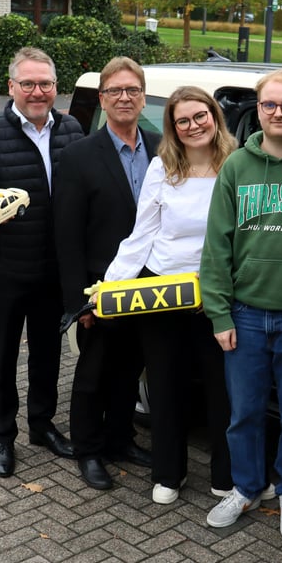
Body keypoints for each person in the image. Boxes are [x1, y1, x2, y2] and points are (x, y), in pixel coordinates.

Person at [199, 69, 282, 540]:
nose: (278, 113)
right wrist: (220, 313)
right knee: (244, 412)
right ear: (259, 109)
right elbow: (217, 247)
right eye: (269, 105)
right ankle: (247, 486)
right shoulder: (236, 167)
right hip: (246, 316)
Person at [103, 85, 237, 503]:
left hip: (216, 296)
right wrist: (110, 287)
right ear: (173, 128)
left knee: (223, 390)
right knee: (165, 386)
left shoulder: (237, 166)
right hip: (164, 293)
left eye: (201, 116)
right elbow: (142, 234)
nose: (193, 125)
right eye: (183, 120)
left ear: (214, 117)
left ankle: (225, 477)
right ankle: (168, 474)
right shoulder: (163, 169)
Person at [0, 46, 84, 479]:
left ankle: (42, 425)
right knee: (3, 356)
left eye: (45, 83)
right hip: (5, 271)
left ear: (55, 87)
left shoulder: (72, 130)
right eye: (28, 83)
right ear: (11, 86)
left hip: (54, 270)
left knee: (48, 354)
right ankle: (2, 436)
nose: (37, 91)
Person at [53, 57, 157, 490]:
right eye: (115, 91)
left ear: (143, 96)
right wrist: (79, 304)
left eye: (132, 90)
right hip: (101, 287)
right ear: (102, 99)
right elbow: (67, 237)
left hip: (149, 285)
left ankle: (120, 438)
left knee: (132, 368)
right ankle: (88, 450)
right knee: (93, 372)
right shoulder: (79, 156)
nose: (124, 98)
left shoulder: (160, 146)